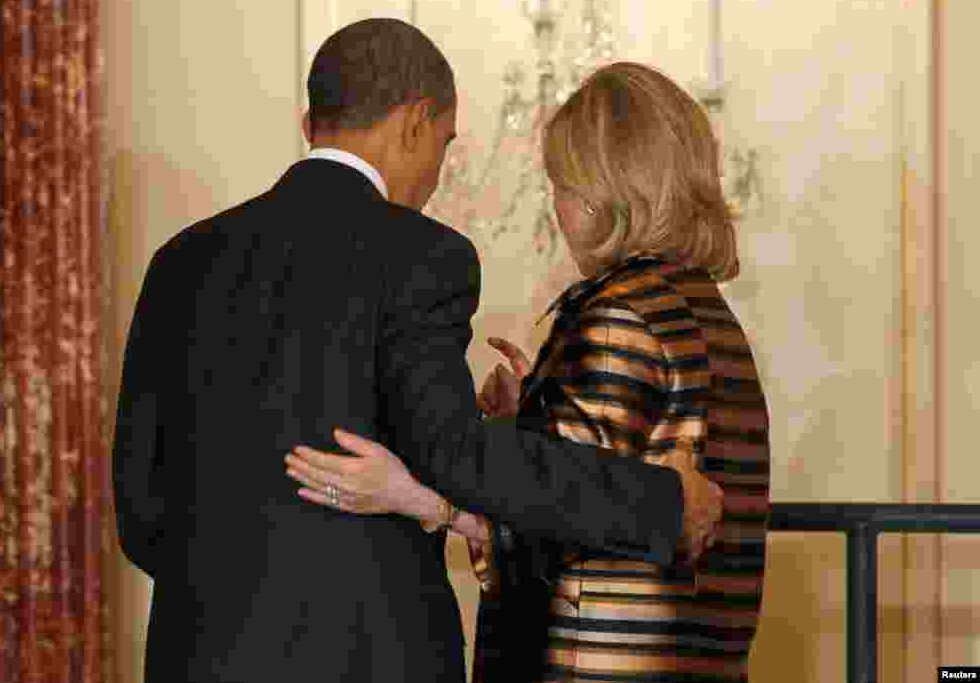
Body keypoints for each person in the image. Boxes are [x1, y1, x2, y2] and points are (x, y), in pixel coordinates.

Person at [112, 18, 723, 683]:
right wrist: (659, 502)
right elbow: (454, 455)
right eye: (444, 142)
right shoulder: (421, 254)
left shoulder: (180, 261)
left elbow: (141, 512)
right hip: (374, 659)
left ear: (308, 122)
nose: (437, 171)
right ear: (415, 121)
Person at [285, 62, 770, 682]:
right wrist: (530, 421)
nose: (558, 208)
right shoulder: (707, 311)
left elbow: (558, 526)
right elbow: (610, 481)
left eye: (561, 186)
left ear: (602, 194)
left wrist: (411, 496)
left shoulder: (618, 314)